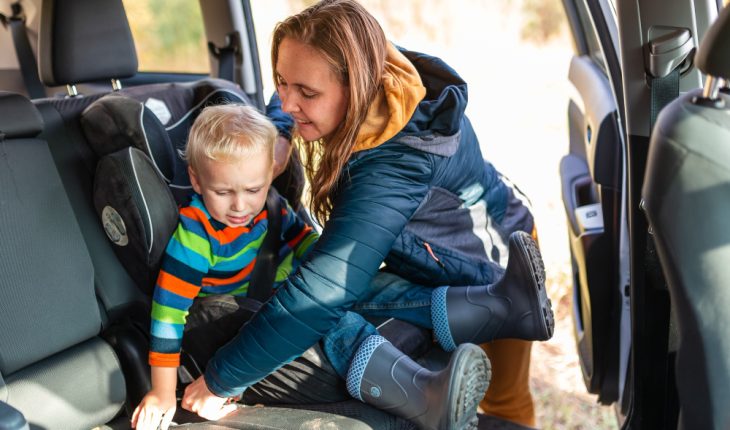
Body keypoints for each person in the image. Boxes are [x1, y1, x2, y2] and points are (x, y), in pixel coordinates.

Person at [181, 0, 554, 428]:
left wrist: (219, 380)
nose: (286, 101)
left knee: (503, 404)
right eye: (283, 82)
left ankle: (506, 315)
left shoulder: (395, 162)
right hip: (444, 249)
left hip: (492, 255)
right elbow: (295, 85)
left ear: (355, 84)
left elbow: (323, 290)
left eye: (307, 94)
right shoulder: (375, 69)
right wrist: (279, 132)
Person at [131, 104, 319, 430]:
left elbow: (304, 242)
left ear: (270, 173)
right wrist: (162, 392)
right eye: (223, 191)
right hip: (243, 322)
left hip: (295, 298)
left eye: (252, 189)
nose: (240, 205)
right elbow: (167, 314)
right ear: (197, 180)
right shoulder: (196, 235)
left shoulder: (271, 206)